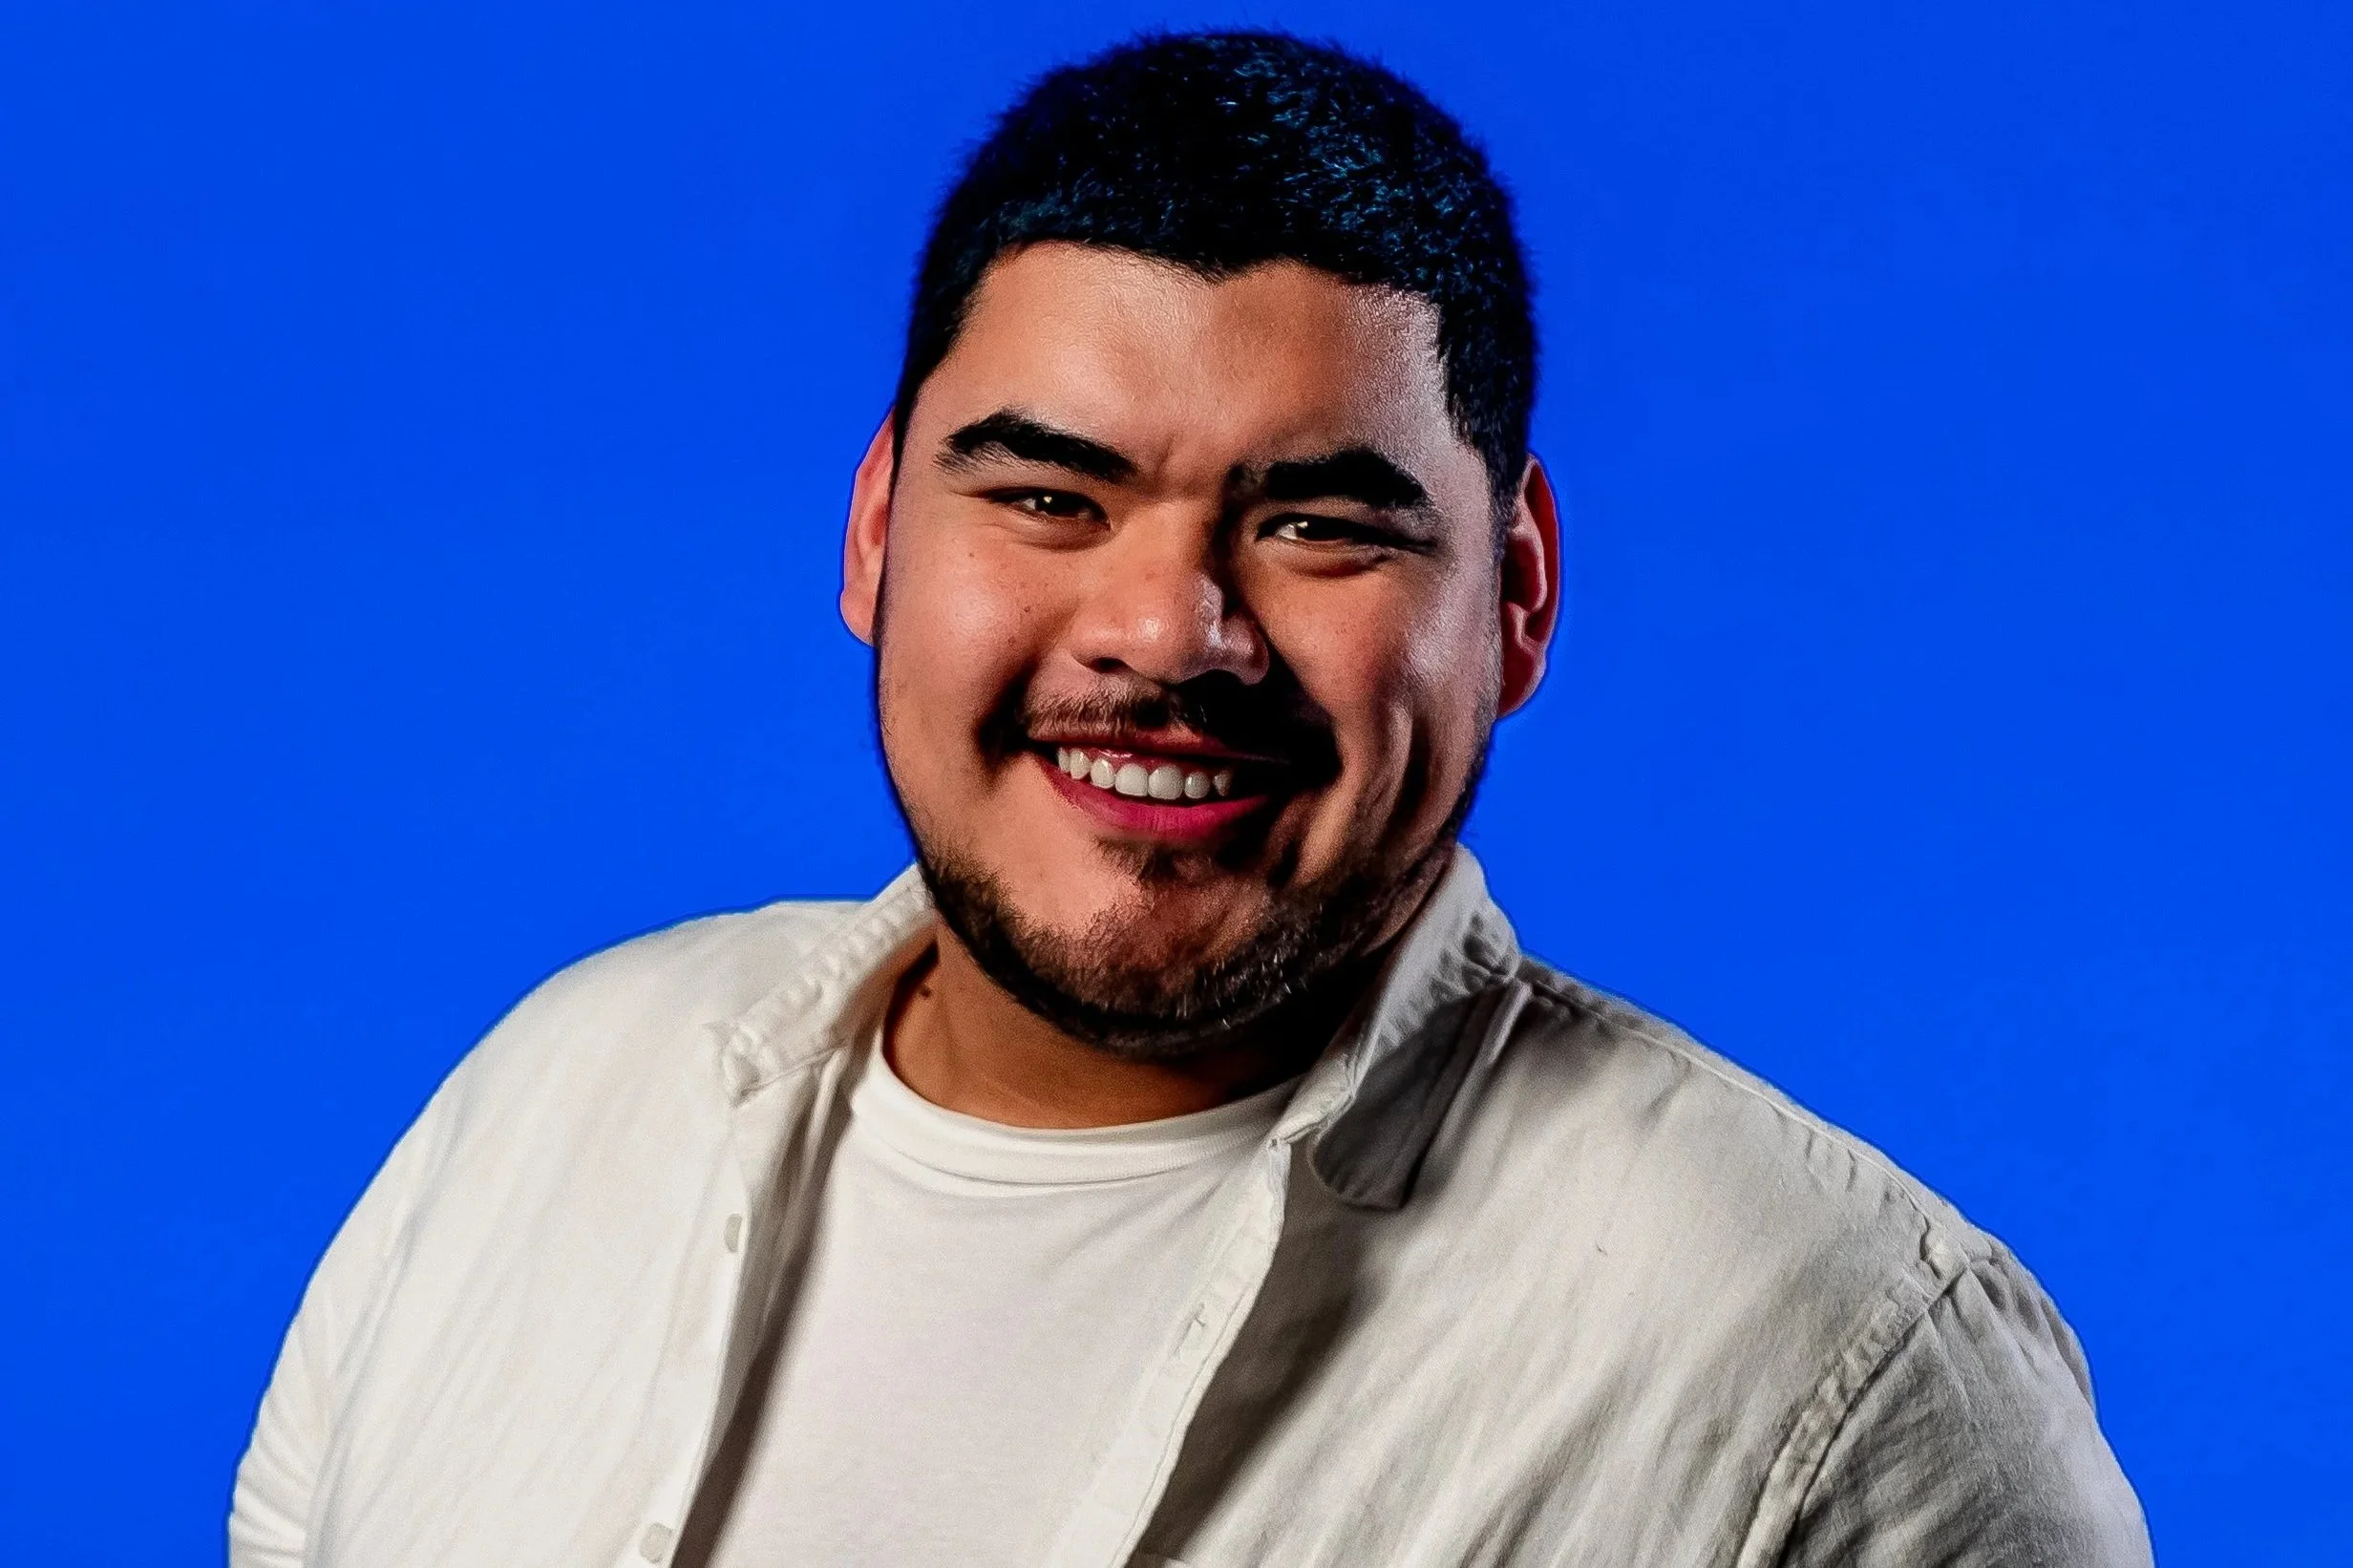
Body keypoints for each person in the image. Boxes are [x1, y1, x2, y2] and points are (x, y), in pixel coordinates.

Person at [230, 29, 2152, 1568]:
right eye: (1046, 495)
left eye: (1317, 522)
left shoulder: (1835, 1367)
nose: (1166, 631)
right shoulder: (548, 1105)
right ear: (877, 529)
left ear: (1516, 592)